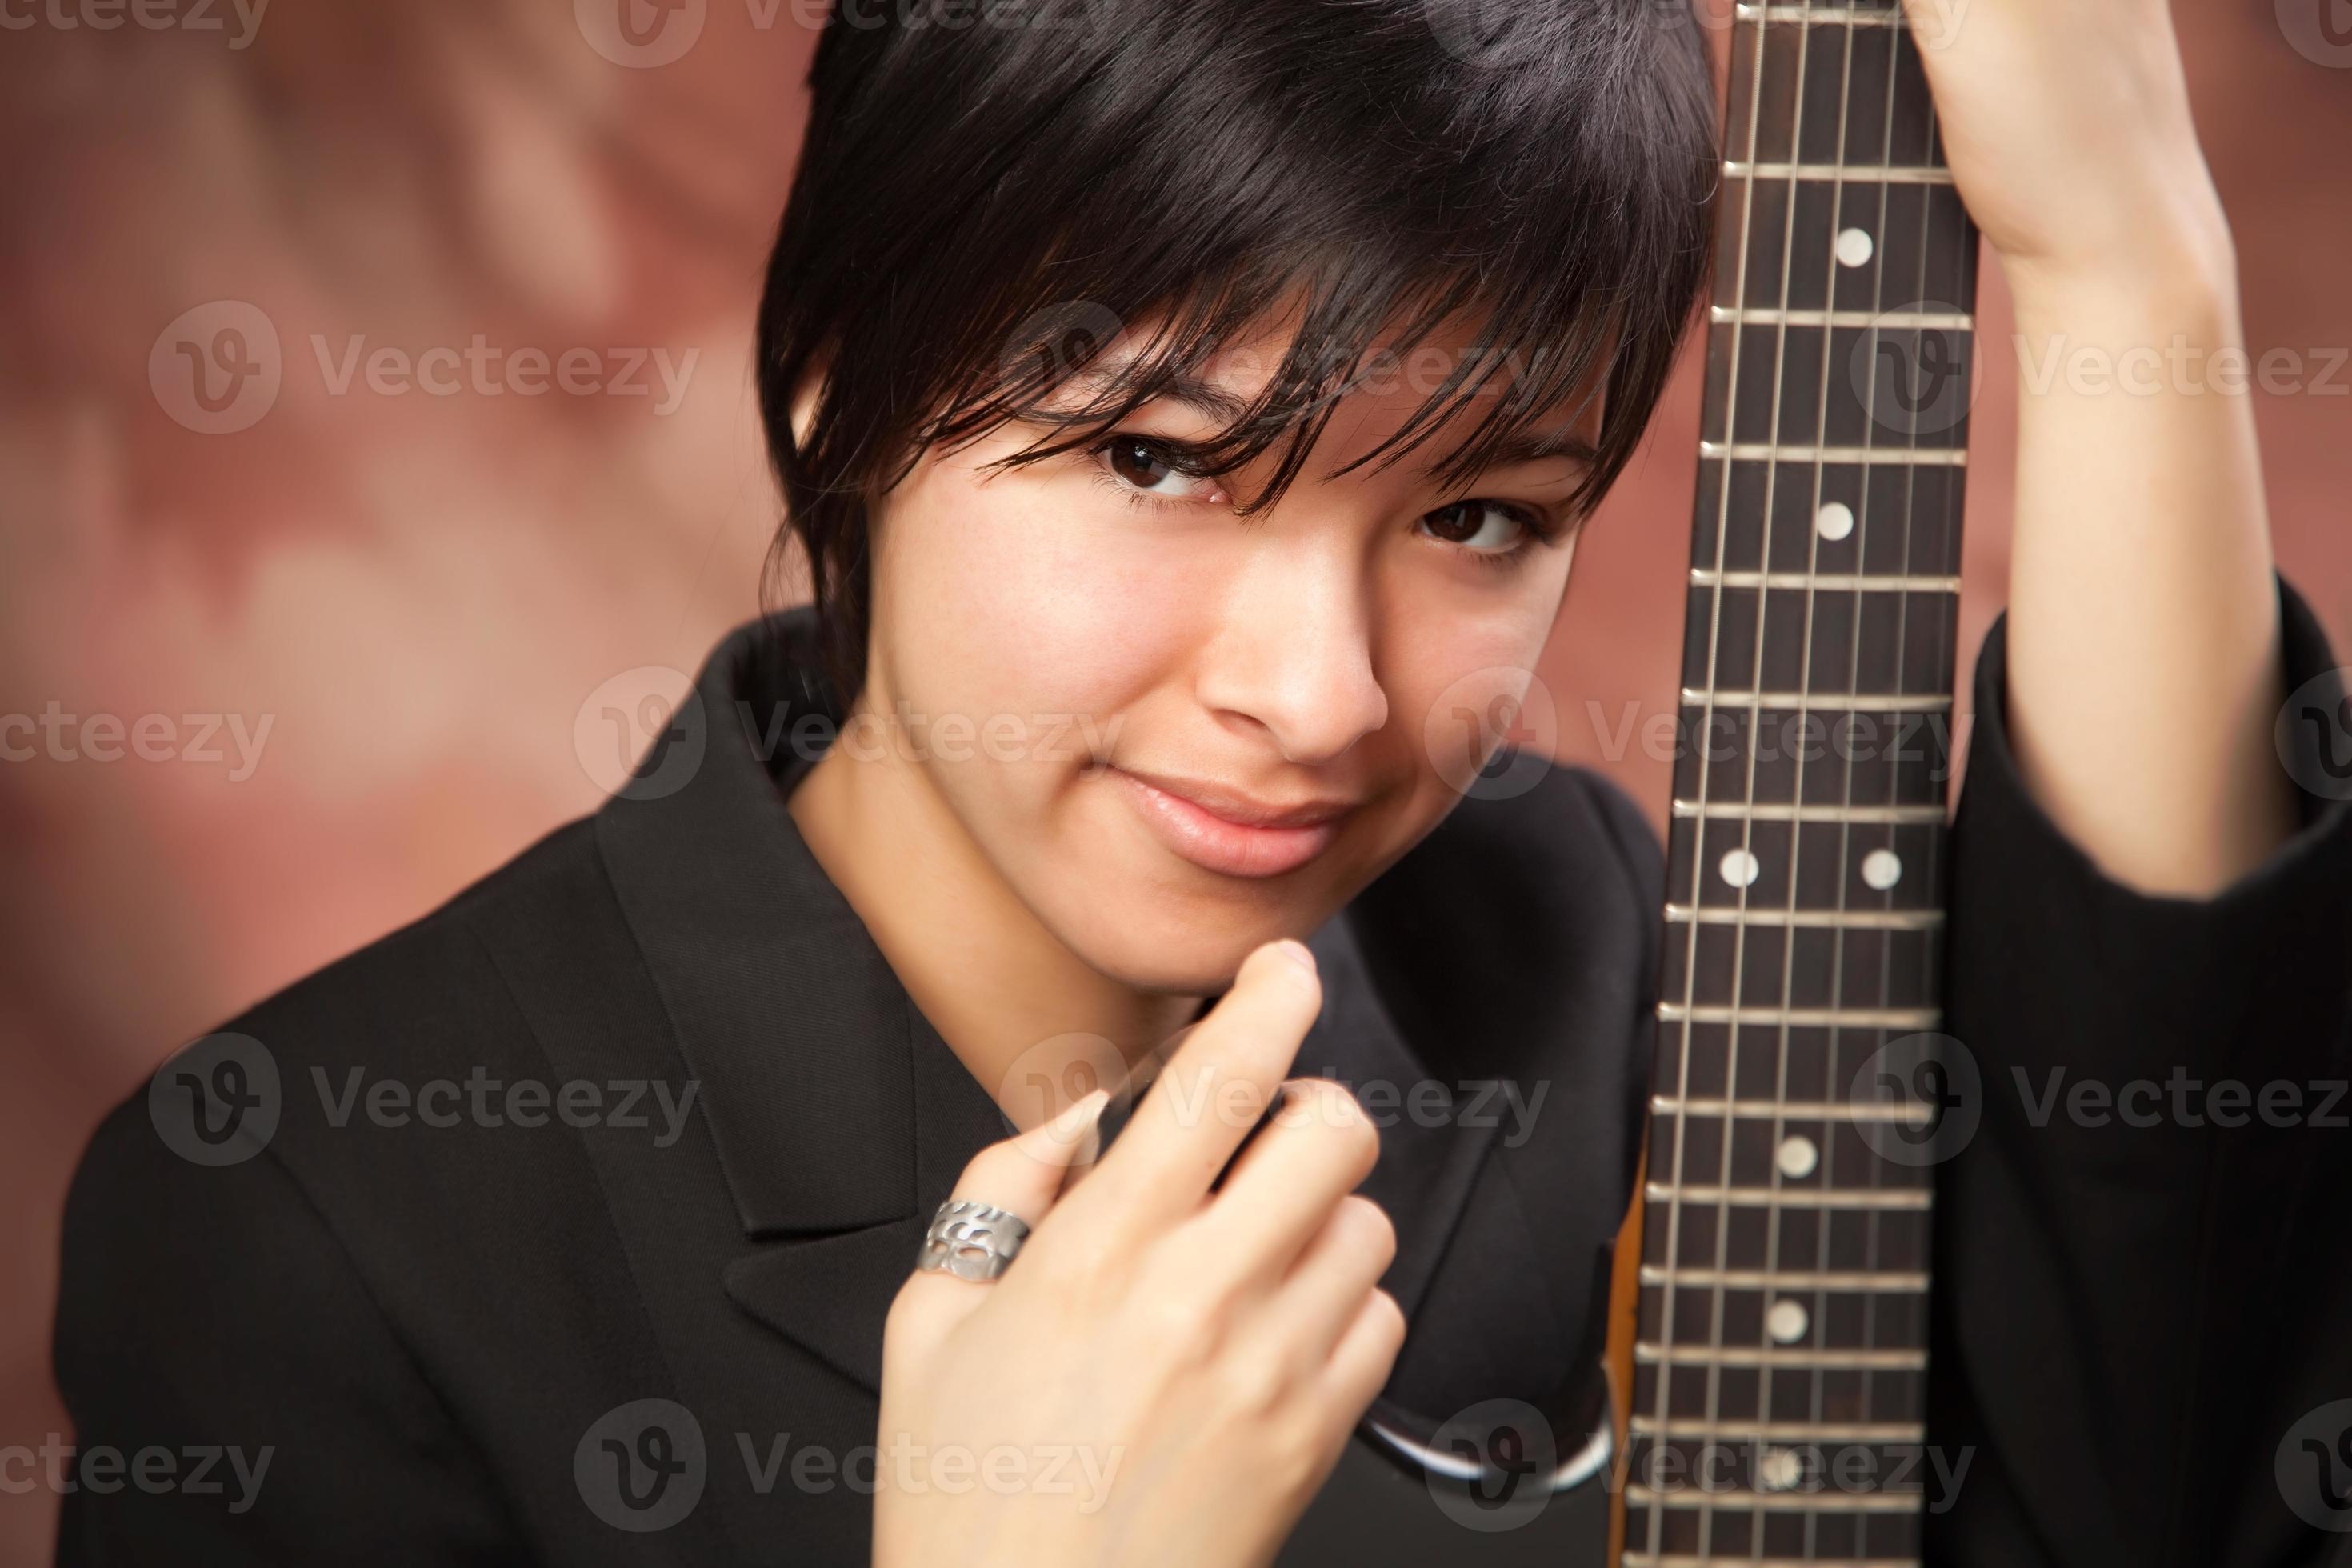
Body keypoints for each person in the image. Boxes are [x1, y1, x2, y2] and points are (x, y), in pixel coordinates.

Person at [49, 1, 2352, 1564]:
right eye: (1157, 462)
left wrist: (2126, 266)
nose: (1316, 692)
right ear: (850, 377)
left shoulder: (1574, 933)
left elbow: (2143, 1424)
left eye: (1479, 517)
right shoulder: (306, 1224)